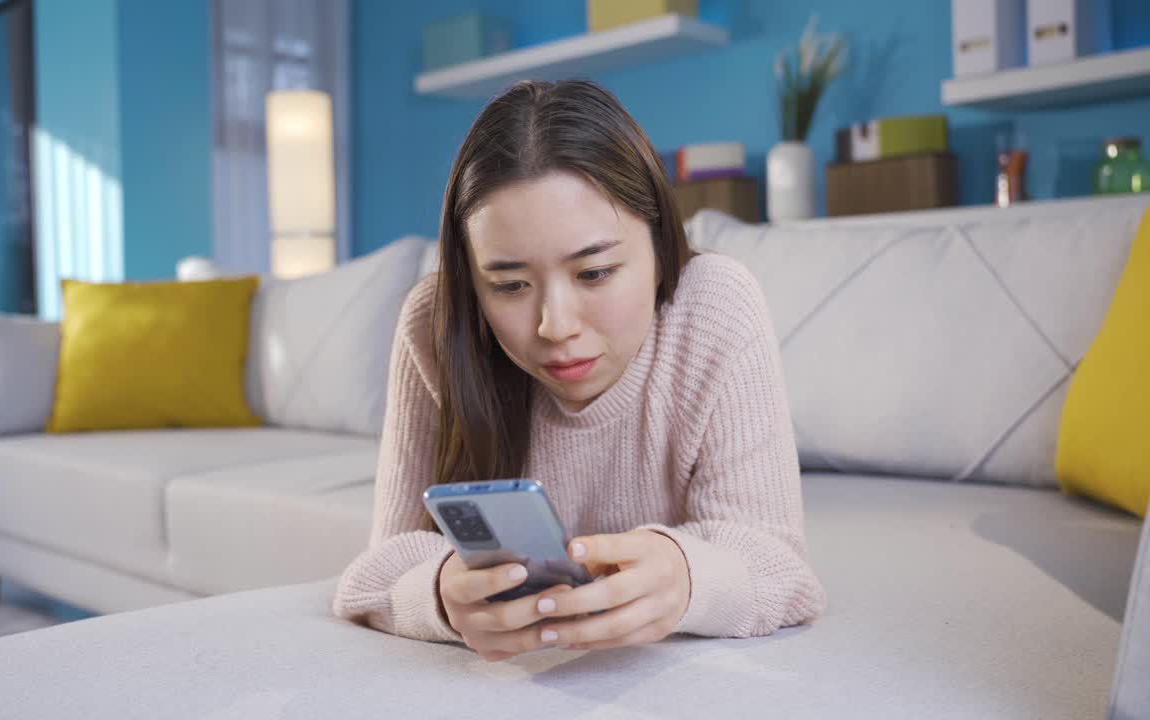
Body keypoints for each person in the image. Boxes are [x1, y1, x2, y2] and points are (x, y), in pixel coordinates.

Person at [333, 79, 825, 661]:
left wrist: (687, 578)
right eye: (510, 285)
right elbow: (373, 575)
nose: (555, 326)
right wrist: (440, 596)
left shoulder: (714, 306)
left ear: (660, 243)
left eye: (594, 273)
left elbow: (784, 571)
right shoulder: (436, 326)